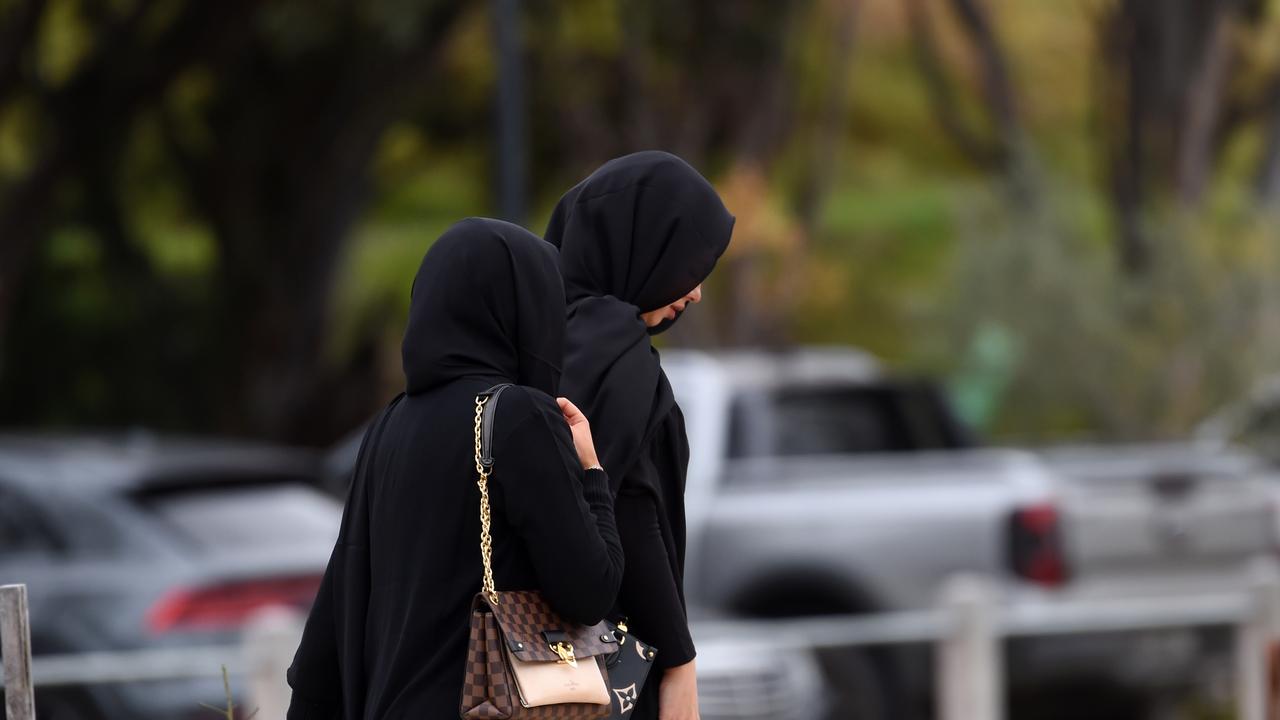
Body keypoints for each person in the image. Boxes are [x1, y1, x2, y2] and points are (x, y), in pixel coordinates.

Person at [285, 218, 624, 719]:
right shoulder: (519, 415)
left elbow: (340, 598)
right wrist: (592, 473)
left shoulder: (387, 426)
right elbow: (591, 589)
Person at [545, 151, 735, 720]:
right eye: (687, 264)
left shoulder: (532, 340)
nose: (696, 292)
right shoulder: (623, 363)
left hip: (533, 661)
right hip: (615, 664)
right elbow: (635, 514)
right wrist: (679, 662)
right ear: (640, 246)